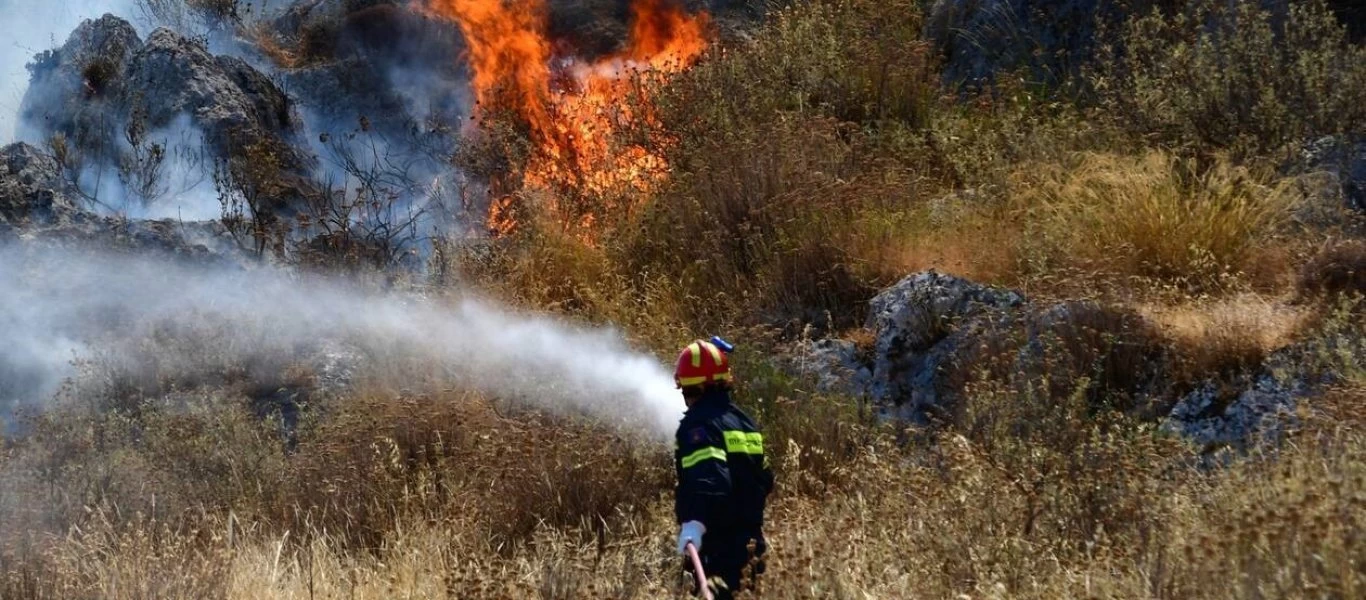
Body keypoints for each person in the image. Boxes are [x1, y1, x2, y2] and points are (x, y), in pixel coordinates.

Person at [673, 338, 774, 599]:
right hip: (752, 550)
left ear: (690, 387)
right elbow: (765, 479)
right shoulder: (744, 421)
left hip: (719, 553)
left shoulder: (699, 425)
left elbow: (711, 479)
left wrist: (695, 523)